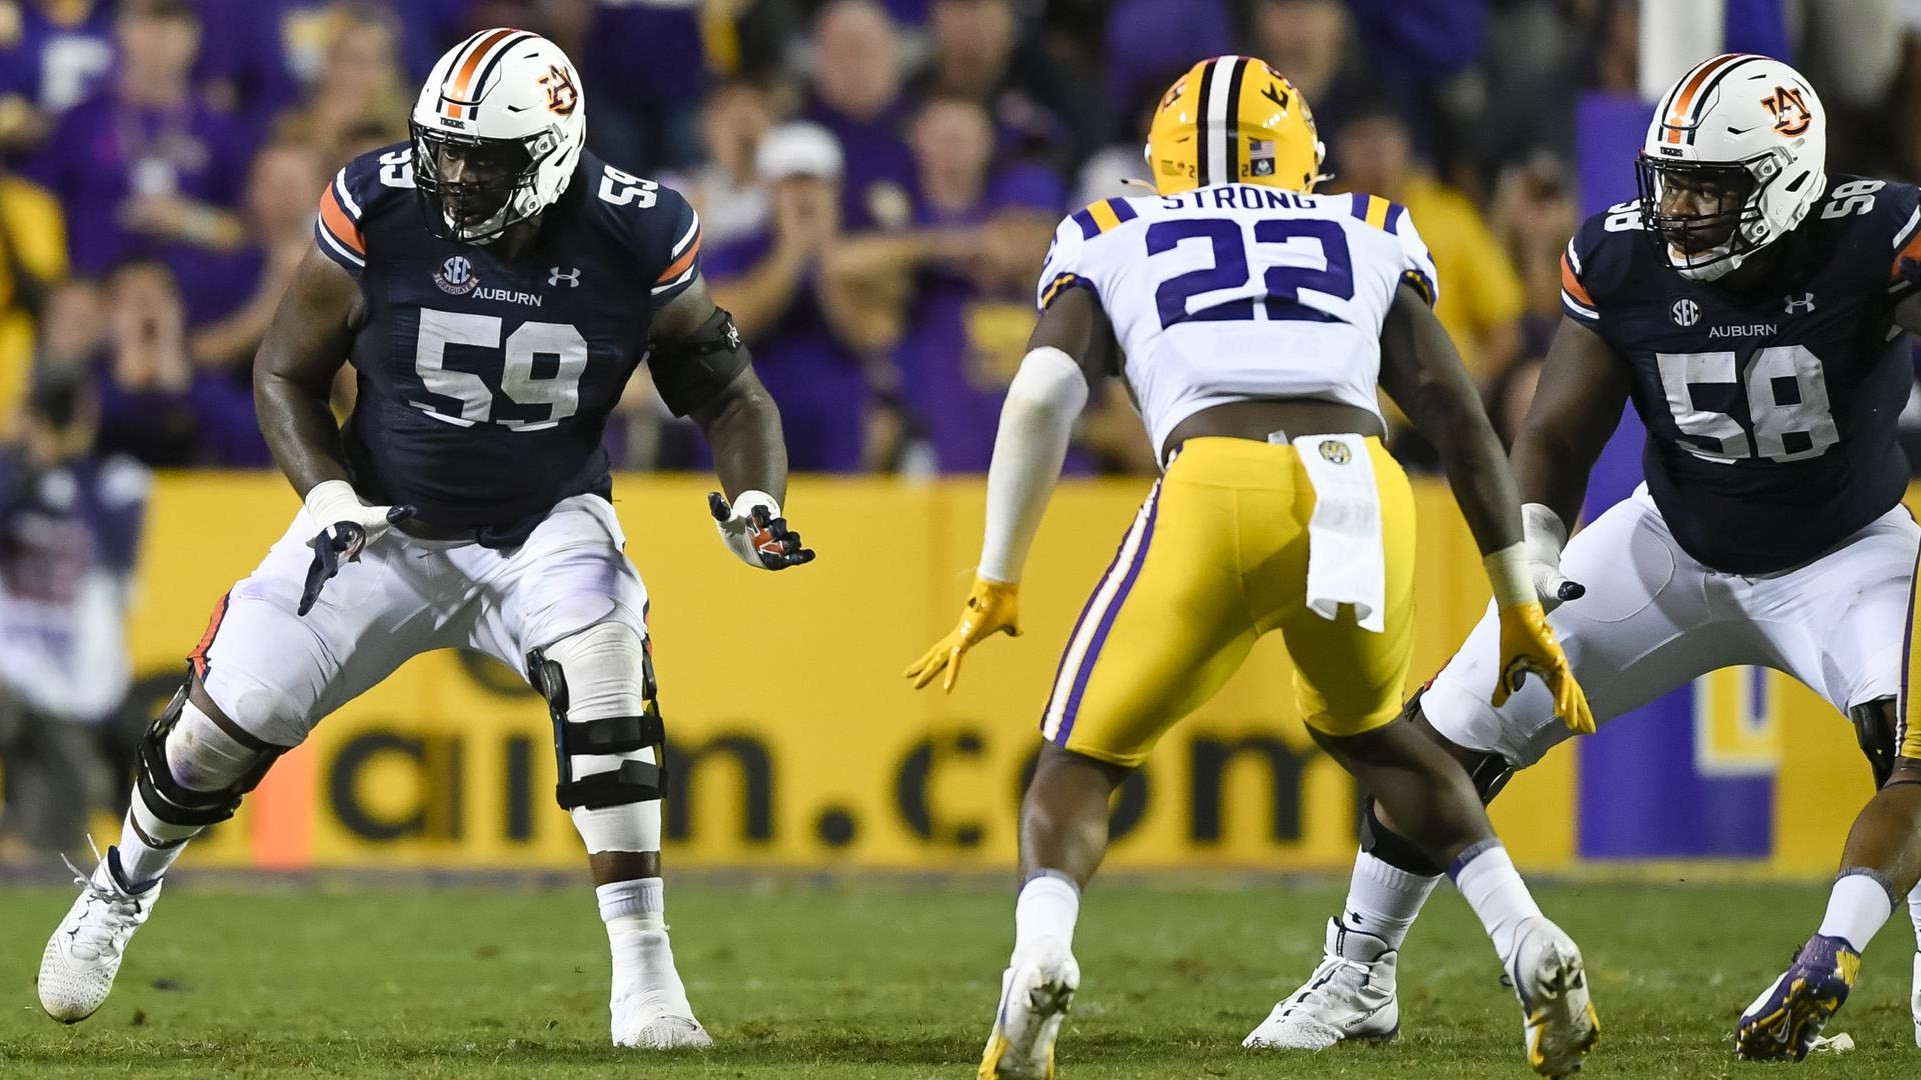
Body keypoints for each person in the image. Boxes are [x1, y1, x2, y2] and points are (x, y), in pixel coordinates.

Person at [35, 30, 815, 1050]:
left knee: (607, 666)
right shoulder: (379, 203)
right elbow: (283, 371)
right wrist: (325, 497)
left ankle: (647, 982)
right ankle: (122, 883)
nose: (452, 174)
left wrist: (753, 500)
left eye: (479, 157)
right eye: (441, 148)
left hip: (544, 522)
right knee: (230, 715)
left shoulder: (636, 227)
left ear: (551, 152)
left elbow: (723, 386)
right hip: (381, 521)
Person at [904, 56, 1599, 1079]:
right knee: (1381, 739)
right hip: (1362, 483)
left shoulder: (1112, 228)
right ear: (1303, 158)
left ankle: (1040, 957)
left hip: (1216, 478)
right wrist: (1513, 594)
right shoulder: (1365, 223)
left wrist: (997, 575)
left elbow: (1043, 393)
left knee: (1078, 763)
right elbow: (1454, 408)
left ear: (1163, 159)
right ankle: (1528, 938)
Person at [1250, 53, 1921, 1061]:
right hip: (1671, 541)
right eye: (1670, 179)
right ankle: (1359, 973)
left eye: (1710, 186)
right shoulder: (1622, 257)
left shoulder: (1874, 238)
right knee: (1446, 729)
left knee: (1913, 753)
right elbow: (1558, 435)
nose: (1680, 208)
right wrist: (1531, 577)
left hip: (1847, 554)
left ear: (1786, 181)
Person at [0, 367, 148, 857]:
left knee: (56, 847)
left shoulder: (116, 480)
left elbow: (110, 544)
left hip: (68, 683)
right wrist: (23, 462)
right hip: (11, 666)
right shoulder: (10, 472)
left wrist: (63, 460)